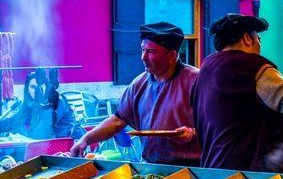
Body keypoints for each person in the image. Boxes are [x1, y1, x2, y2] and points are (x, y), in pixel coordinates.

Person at [192, 14, 283, 173]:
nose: (259, 42)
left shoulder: (205, 70)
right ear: (247, 38)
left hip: (213, 166)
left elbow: (238, 115)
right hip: (251, 172)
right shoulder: (253, 66)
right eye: (258, 37)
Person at [70, 23, 199, 164]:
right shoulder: (139, 83)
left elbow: (216, 126)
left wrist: (192, 133)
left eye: (151, 51)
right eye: (142, 50)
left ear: (172, 55)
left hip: (191, 167)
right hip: (151, 166)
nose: (143, 57)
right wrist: (86, 139)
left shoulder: (196, 80)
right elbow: (118, 120)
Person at [0, 69, 80, 140]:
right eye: (33, 87)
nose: (37, 90)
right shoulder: (30, 105)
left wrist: (20, 133)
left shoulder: (57, 101)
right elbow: (12, 122)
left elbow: (42, 132)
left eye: (40, 86)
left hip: (67, 148)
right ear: (27, 90)